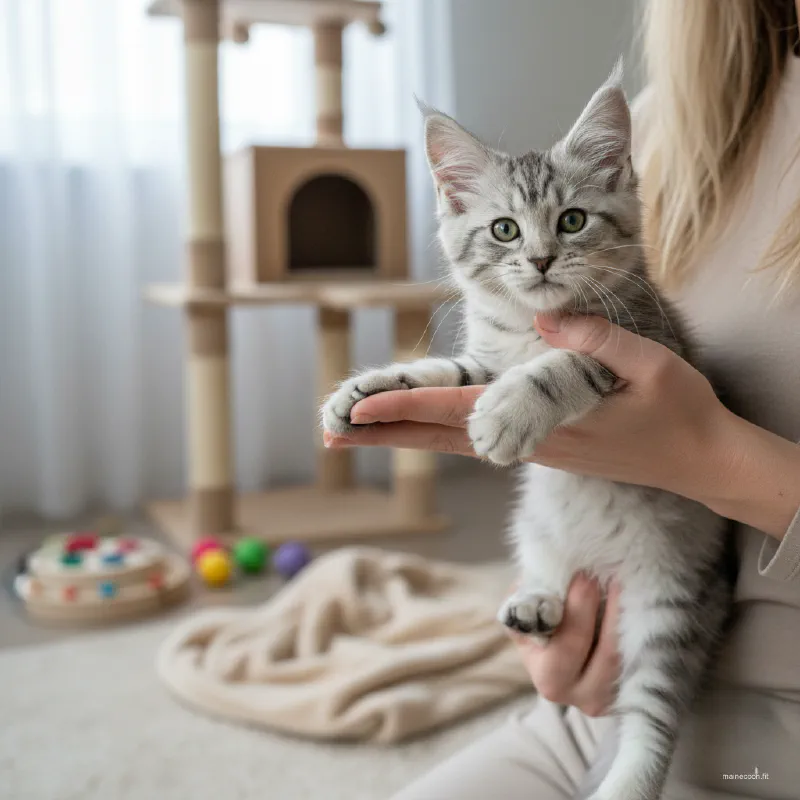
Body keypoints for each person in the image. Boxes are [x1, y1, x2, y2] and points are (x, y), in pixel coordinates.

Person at [324, 1, 800, 797]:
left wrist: (711, 458)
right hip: (585, 709)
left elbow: (603, 367)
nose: (542, 253)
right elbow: (489, 371)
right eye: (511, 234)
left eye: (568, 226)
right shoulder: (669, 115)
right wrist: (564, 647)